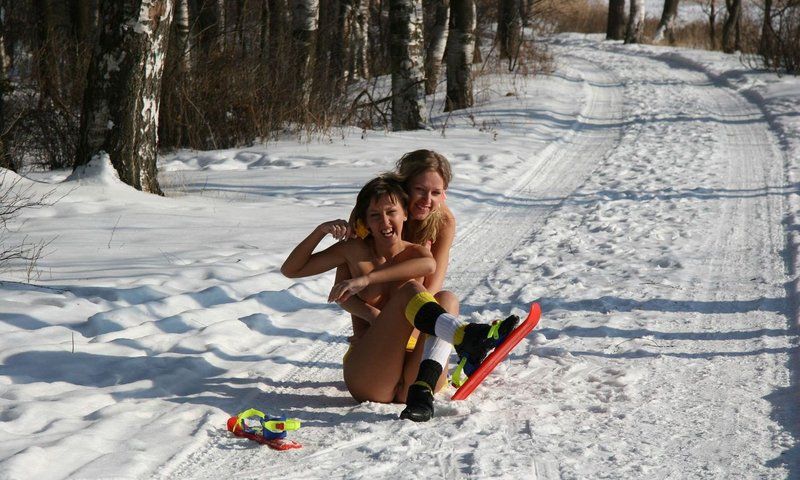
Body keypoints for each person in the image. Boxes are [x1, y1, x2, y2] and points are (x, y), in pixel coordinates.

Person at [282, 175, 517, 422]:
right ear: (365, 222)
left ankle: (422, 393)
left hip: (417, 368)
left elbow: (428, 265)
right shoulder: (353, 250)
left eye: (391, 211)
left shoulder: (416, 252)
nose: (385, 221)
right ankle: (465, 335)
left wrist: (366, 280)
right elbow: (291, 270)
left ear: (405, 213)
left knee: (446, 298)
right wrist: (320, 231)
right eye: (375, 215)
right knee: (411, 291)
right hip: (371, 375)